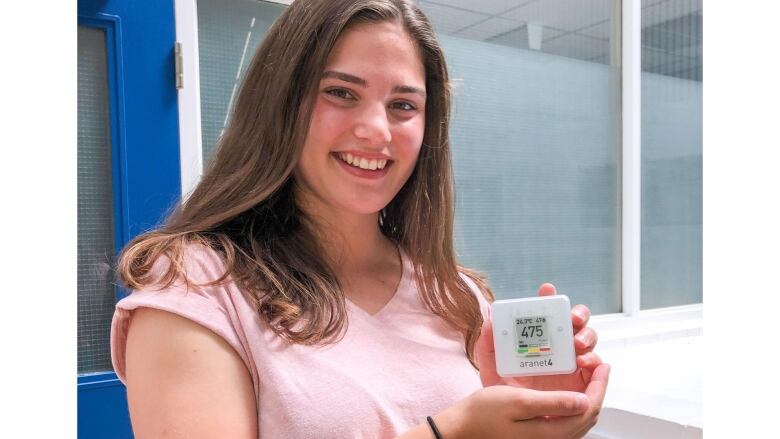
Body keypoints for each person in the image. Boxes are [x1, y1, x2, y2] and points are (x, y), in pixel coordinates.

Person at [110, 0, 610, 438]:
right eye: (341, 93)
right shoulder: (198, 289)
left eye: (403, 105)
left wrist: (535, 415)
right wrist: (451, 435)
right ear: (279, 102)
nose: (375, 130)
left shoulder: (457, 295)